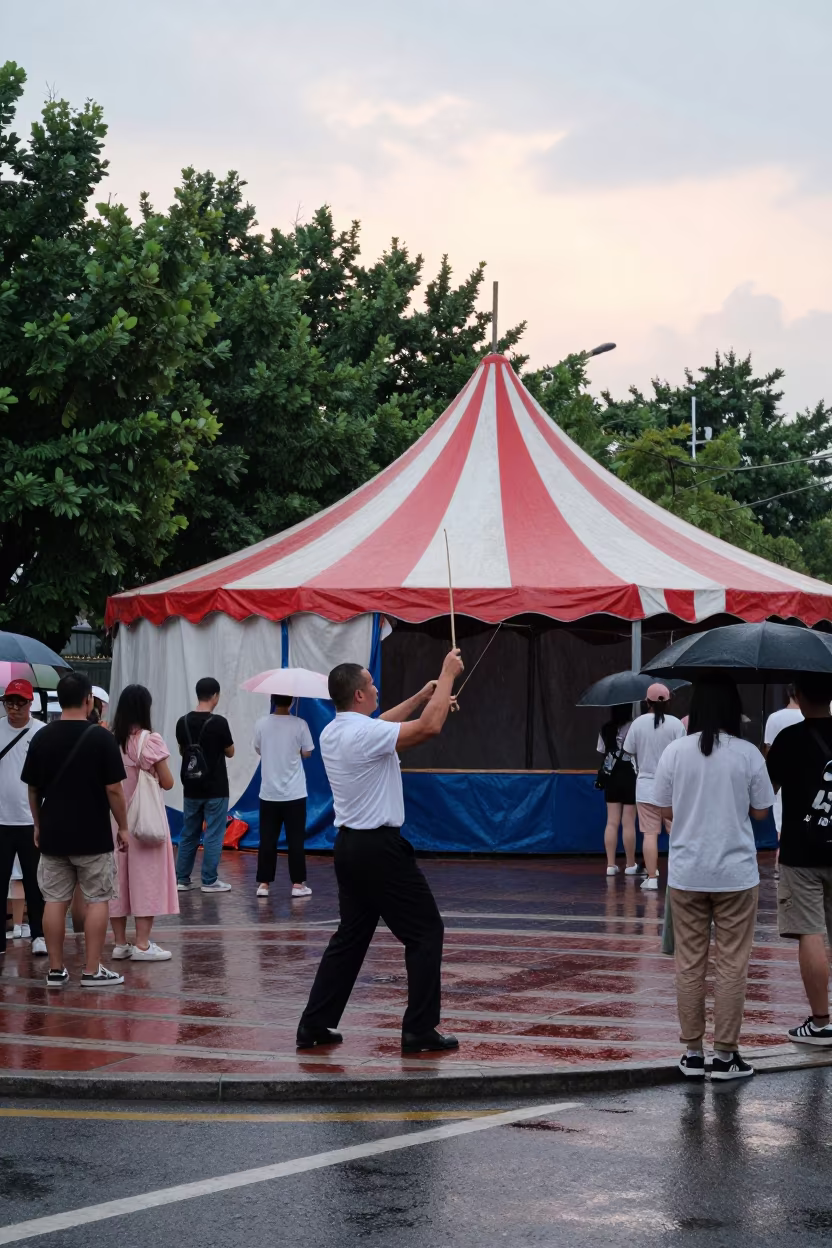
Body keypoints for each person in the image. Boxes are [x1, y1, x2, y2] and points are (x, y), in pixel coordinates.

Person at [297, 649, 464, 1054]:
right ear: (358, 695)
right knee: (426, 932)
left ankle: (314, 1024)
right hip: (379, 849)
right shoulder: (363, 735)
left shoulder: (333, 732)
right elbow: (429, 727)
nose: (376, 689)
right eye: (371, 685)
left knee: (350, 938)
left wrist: (423, 695)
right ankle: (419, 1030)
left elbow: (382, 723)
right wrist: (447, 675)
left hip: (349, 848)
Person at [653, 678, 773, 1081]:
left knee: (689, 963)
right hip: (736, 875)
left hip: (687, 873)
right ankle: (725, 1057)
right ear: (733, 710)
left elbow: (664, 808)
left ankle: (692, 1054)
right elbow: (761, 812)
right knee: (732, 964)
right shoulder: (747, 753)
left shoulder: (675, 751)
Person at [21, 671, 128, 988]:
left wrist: (38, 824)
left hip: (53, 834)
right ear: (88, 700)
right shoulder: (101, 738)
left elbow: (33, 789)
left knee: (54, 900)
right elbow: (114, 789)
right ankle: (92, 970)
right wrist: (123, 827)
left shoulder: (41, 737)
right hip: (93, 835)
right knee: (97, 899)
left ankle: (55, 970)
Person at [765, 672, 832, 1046]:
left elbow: (765, 794)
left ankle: (821, 1023)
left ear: (800, 695)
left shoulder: (788, 739)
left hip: (801, 852)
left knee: (810, 932)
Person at [110, 684, 179, 962]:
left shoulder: (110, 740)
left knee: (117, 880)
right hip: (145, 821)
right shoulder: (150, 740)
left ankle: (119, 943)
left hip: (115, 820)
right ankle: (142, 943)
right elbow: (168, 782)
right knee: (146, 877)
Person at [623, 684, 685, 891]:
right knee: (676, 833)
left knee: (649, 834)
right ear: (668, 701)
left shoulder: (638, 723)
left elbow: (628, 750)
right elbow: (684, 753)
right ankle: (678, 876)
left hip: (646, 787)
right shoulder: (676, 724)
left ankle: (651, 878)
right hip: (672, 788)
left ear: (646, 702)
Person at [175, 677, 235, 893]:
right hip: (216, 788)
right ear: (215, 696)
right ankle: (209, 881)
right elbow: (230, 751)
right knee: (214, 833)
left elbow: (182, 751)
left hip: (191, 787)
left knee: (188, 832)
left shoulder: (182, 722)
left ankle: (181, 879)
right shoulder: (219, 723)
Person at [0, 679, 46, 956]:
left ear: (30, 704)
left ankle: (39, 934)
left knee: (35, 882)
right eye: (9, 702)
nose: (14, 708)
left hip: (31, 820)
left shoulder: (41, 732)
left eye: (20, 703)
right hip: (1, 820)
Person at [253, 695, 314, 898]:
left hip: (269, 792)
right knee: (295, 839)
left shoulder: (261, 723)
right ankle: (297, 884)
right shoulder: (300, 724)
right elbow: (308, 752)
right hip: (294, 793)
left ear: (272, 700)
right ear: (292, 701)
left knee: (267, 839)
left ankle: (263, 884)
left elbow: (258, 748)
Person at [597, 704, 639, 877]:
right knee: (628, 822)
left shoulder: (605, 728)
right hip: (630, 776)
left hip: (611, 777)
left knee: (611, 822)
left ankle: (610, 864)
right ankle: (630, 864)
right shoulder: (635, 726)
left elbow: (601, 751)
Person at [763, 685, 803, 852]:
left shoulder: (774, 718)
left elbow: (768, 750)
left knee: (781, 828)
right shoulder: (808, 716)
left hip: (782, 781)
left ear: (788, 692)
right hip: (810, 779)